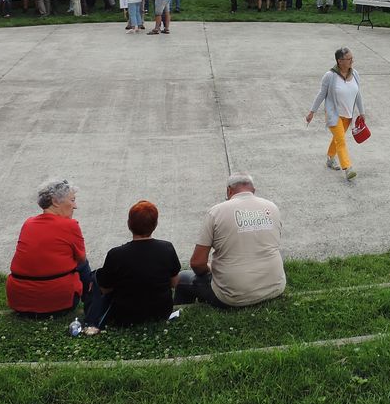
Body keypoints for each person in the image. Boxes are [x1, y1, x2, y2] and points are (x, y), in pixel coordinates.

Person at [175, 173, 286, 308]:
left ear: (229, 190)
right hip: (275, 287)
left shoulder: (216, 212)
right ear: (253, 190)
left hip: (232, 296)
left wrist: (210, 269)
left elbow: (197, 264)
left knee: (183, 278)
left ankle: (178, 312)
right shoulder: (272, 207)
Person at [83, 200, 180, 331]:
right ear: (155, 224)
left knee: (95, 277)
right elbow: (174, 283)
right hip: (161, 312)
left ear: (129, 224)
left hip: (124, 316)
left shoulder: (116, 254)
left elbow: (105, 289)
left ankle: (92, 319)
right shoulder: (167, 248)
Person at [6, 178, 94, 316]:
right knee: (83, 264)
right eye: (72, 200)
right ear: (55, 202)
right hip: (58, 304)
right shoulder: (70, 225)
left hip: (19, 302)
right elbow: (81, 258)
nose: (75, 206)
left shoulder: (28, 223)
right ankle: (92, 305)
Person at [305, 47, 364, 181]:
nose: (352, 61)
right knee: (341, 141)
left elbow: (358, 94)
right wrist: (311, 112)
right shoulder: (330, 76)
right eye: (349, 59)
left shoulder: (355, 74)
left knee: (338, 138)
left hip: (348, 116)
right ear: (340, 61)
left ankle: (330, 159)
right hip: (334, 115)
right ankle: (347, 168)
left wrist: (362, 112)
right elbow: (321, 94)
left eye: (352, 58)